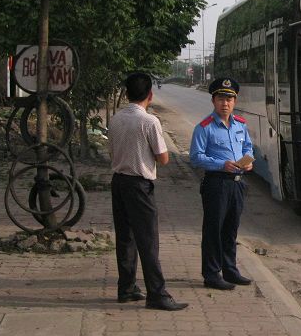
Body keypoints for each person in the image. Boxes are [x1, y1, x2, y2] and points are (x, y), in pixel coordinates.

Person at [108, 72, 187, 311]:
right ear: (150, 95)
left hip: (118, 181)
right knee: (148, 240)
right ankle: (157, 293)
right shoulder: (150, 121)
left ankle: (127, 287)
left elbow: (112, 149)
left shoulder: (115, 119)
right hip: (139, 185)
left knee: (125, 238)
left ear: (127, 93)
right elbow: (163, 158)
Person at [189, 77, 254, 291]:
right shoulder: (204, 127)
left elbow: (247, 147)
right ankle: (211, 274)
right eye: (220, 99)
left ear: (234, 102)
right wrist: (220, 164)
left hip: (237, 183)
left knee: (230, 229)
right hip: (216, 184)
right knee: (213, 230)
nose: (225, 103)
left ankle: (230, 269)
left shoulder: (241, 125)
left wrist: (248, 161)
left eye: (229, 99)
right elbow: (196, 157)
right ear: (213, 101)